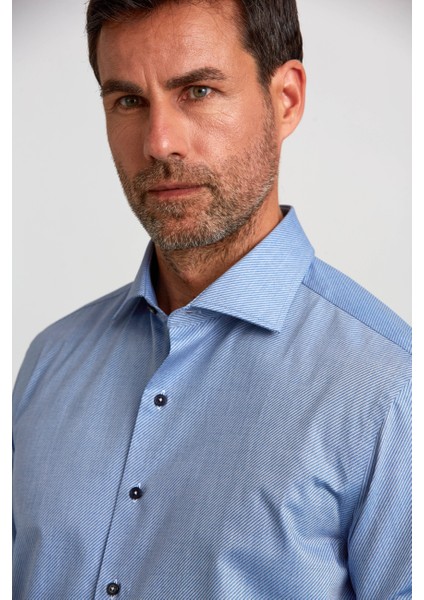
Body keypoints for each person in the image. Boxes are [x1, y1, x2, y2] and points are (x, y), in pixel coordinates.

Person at [12, 0, 411, 598]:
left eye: (197, 91)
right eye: (129, 101)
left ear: (286, 99)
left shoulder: (391, 385)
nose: (159, 142)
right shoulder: (49, 362)